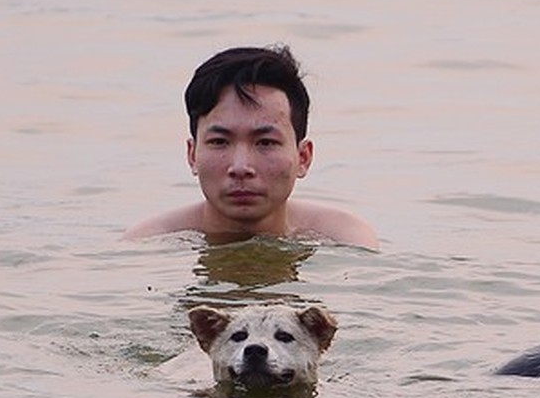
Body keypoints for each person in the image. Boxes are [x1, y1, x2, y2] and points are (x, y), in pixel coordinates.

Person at [123, 45, 378, 249]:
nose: (241, 167)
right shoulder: (148, 244)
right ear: (192, 155)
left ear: (303, 157)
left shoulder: (345, 240)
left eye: (265, 142)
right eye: (220, 142)